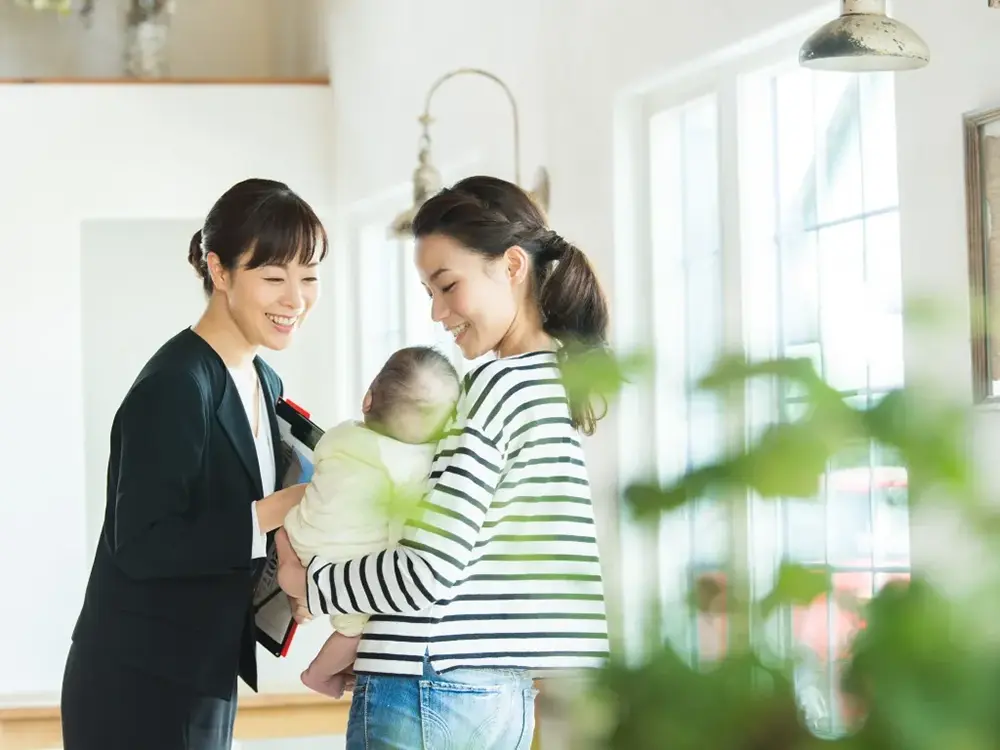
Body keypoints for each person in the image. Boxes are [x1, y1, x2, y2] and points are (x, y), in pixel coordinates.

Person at [276, 175, 611, 749]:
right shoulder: (554, 383)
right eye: (429, 291)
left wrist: (311, 583)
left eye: (448, 285)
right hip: (500, 695)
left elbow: (425, 572)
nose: (437, 312)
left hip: (428, 682)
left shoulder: (490, 388)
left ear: (512, 265)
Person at [61, 178, 328, 750]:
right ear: (219, 270)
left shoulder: (264, 379)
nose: (296, 299)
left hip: (203, 664)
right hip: (137, 679)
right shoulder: (177, 384)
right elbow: (142, 543)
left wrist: (288, 566)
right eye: (274, 277)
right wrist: (271, 512)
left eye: (308, 277)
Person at [284, 345, 461, 697]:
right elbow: (401, 533)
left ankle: (289, 566)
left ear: (368, 400)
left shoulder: (341, 433)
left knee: (297, 522)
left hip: (300, 536)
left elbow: (322, 466)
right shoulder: (417, 465)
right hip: (338, 565)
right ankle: (317, 675)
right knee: (355, 630)